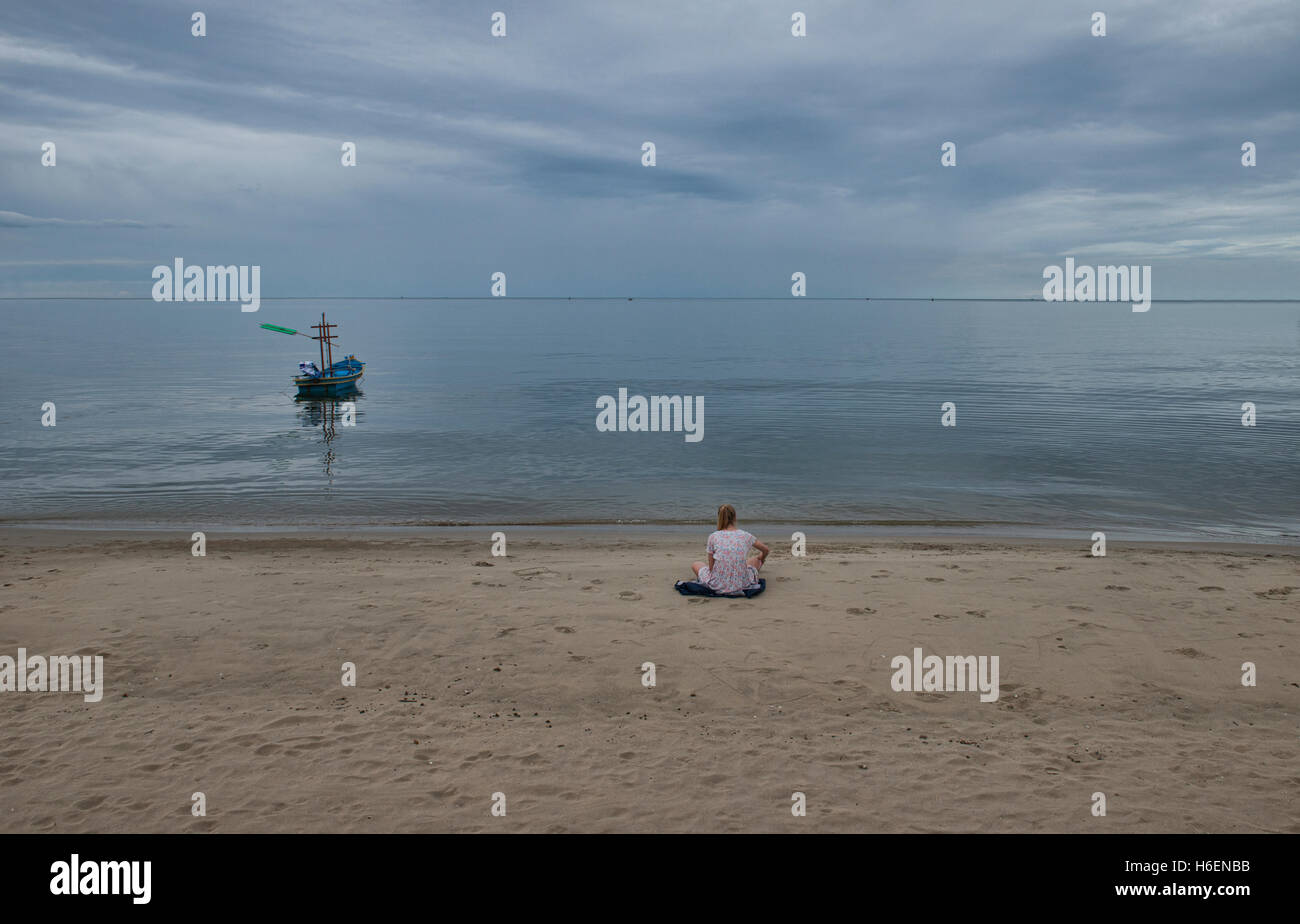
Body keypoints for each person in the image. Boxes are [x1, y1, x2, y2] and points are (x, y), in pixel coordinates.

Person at [691, 504, 769, 594]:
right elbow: (766, 550)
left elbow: (711, 568)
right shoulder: (745, 535)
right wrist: (762, 559)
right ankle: (753, 565)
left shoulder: (713, 536)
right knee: (755, 559)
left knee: (696, 564)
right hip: (741, 583)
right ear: (734, 517)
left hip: (718, 583)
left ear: (719, 517)